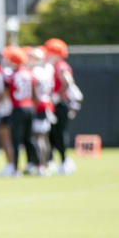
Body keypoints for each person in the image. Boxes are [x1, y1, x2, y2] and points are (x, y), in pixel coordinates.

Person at [0, 46, 39, 175]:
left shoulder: (10, 75)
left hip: (17, 108)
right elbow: (34, 93)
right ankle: (35, 164)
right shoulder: (29, 73)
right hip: (29, 107)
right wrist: (35, 107)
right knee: (29, 138)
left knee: (16, 139)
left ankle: (15, 168)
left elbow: (3, 93)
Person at [45, 38, 81, 175]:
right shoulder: (53, 65)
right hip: (56, 103)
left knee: (59, 133)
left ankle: (65, 161)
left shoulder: (60, 65)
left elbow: (67, 82)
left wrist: (58, 96)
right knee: (52, 134)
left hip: (60, 104)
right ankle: (54, 161)